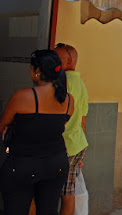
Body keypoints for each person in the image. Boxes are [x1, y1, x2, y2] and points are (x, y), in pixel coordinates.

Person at [0, 50, 74, 214]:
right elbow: (58, 123)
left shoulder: (23, 96)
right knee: (48, 210)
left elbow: (3, 123)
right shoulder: (68, 99)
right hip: (56, 164)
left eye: (31, 69)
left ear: (38, 72)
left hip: (23, 165)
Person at [55, 43, 89, 215]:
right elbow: (83, 119)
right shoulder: (81, 84)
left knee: (58, 194)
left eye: (56, 56)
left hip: (65, 146)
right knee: (68, 193)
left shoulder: (62, 82)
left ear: (68, 61)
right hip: (77, 144)